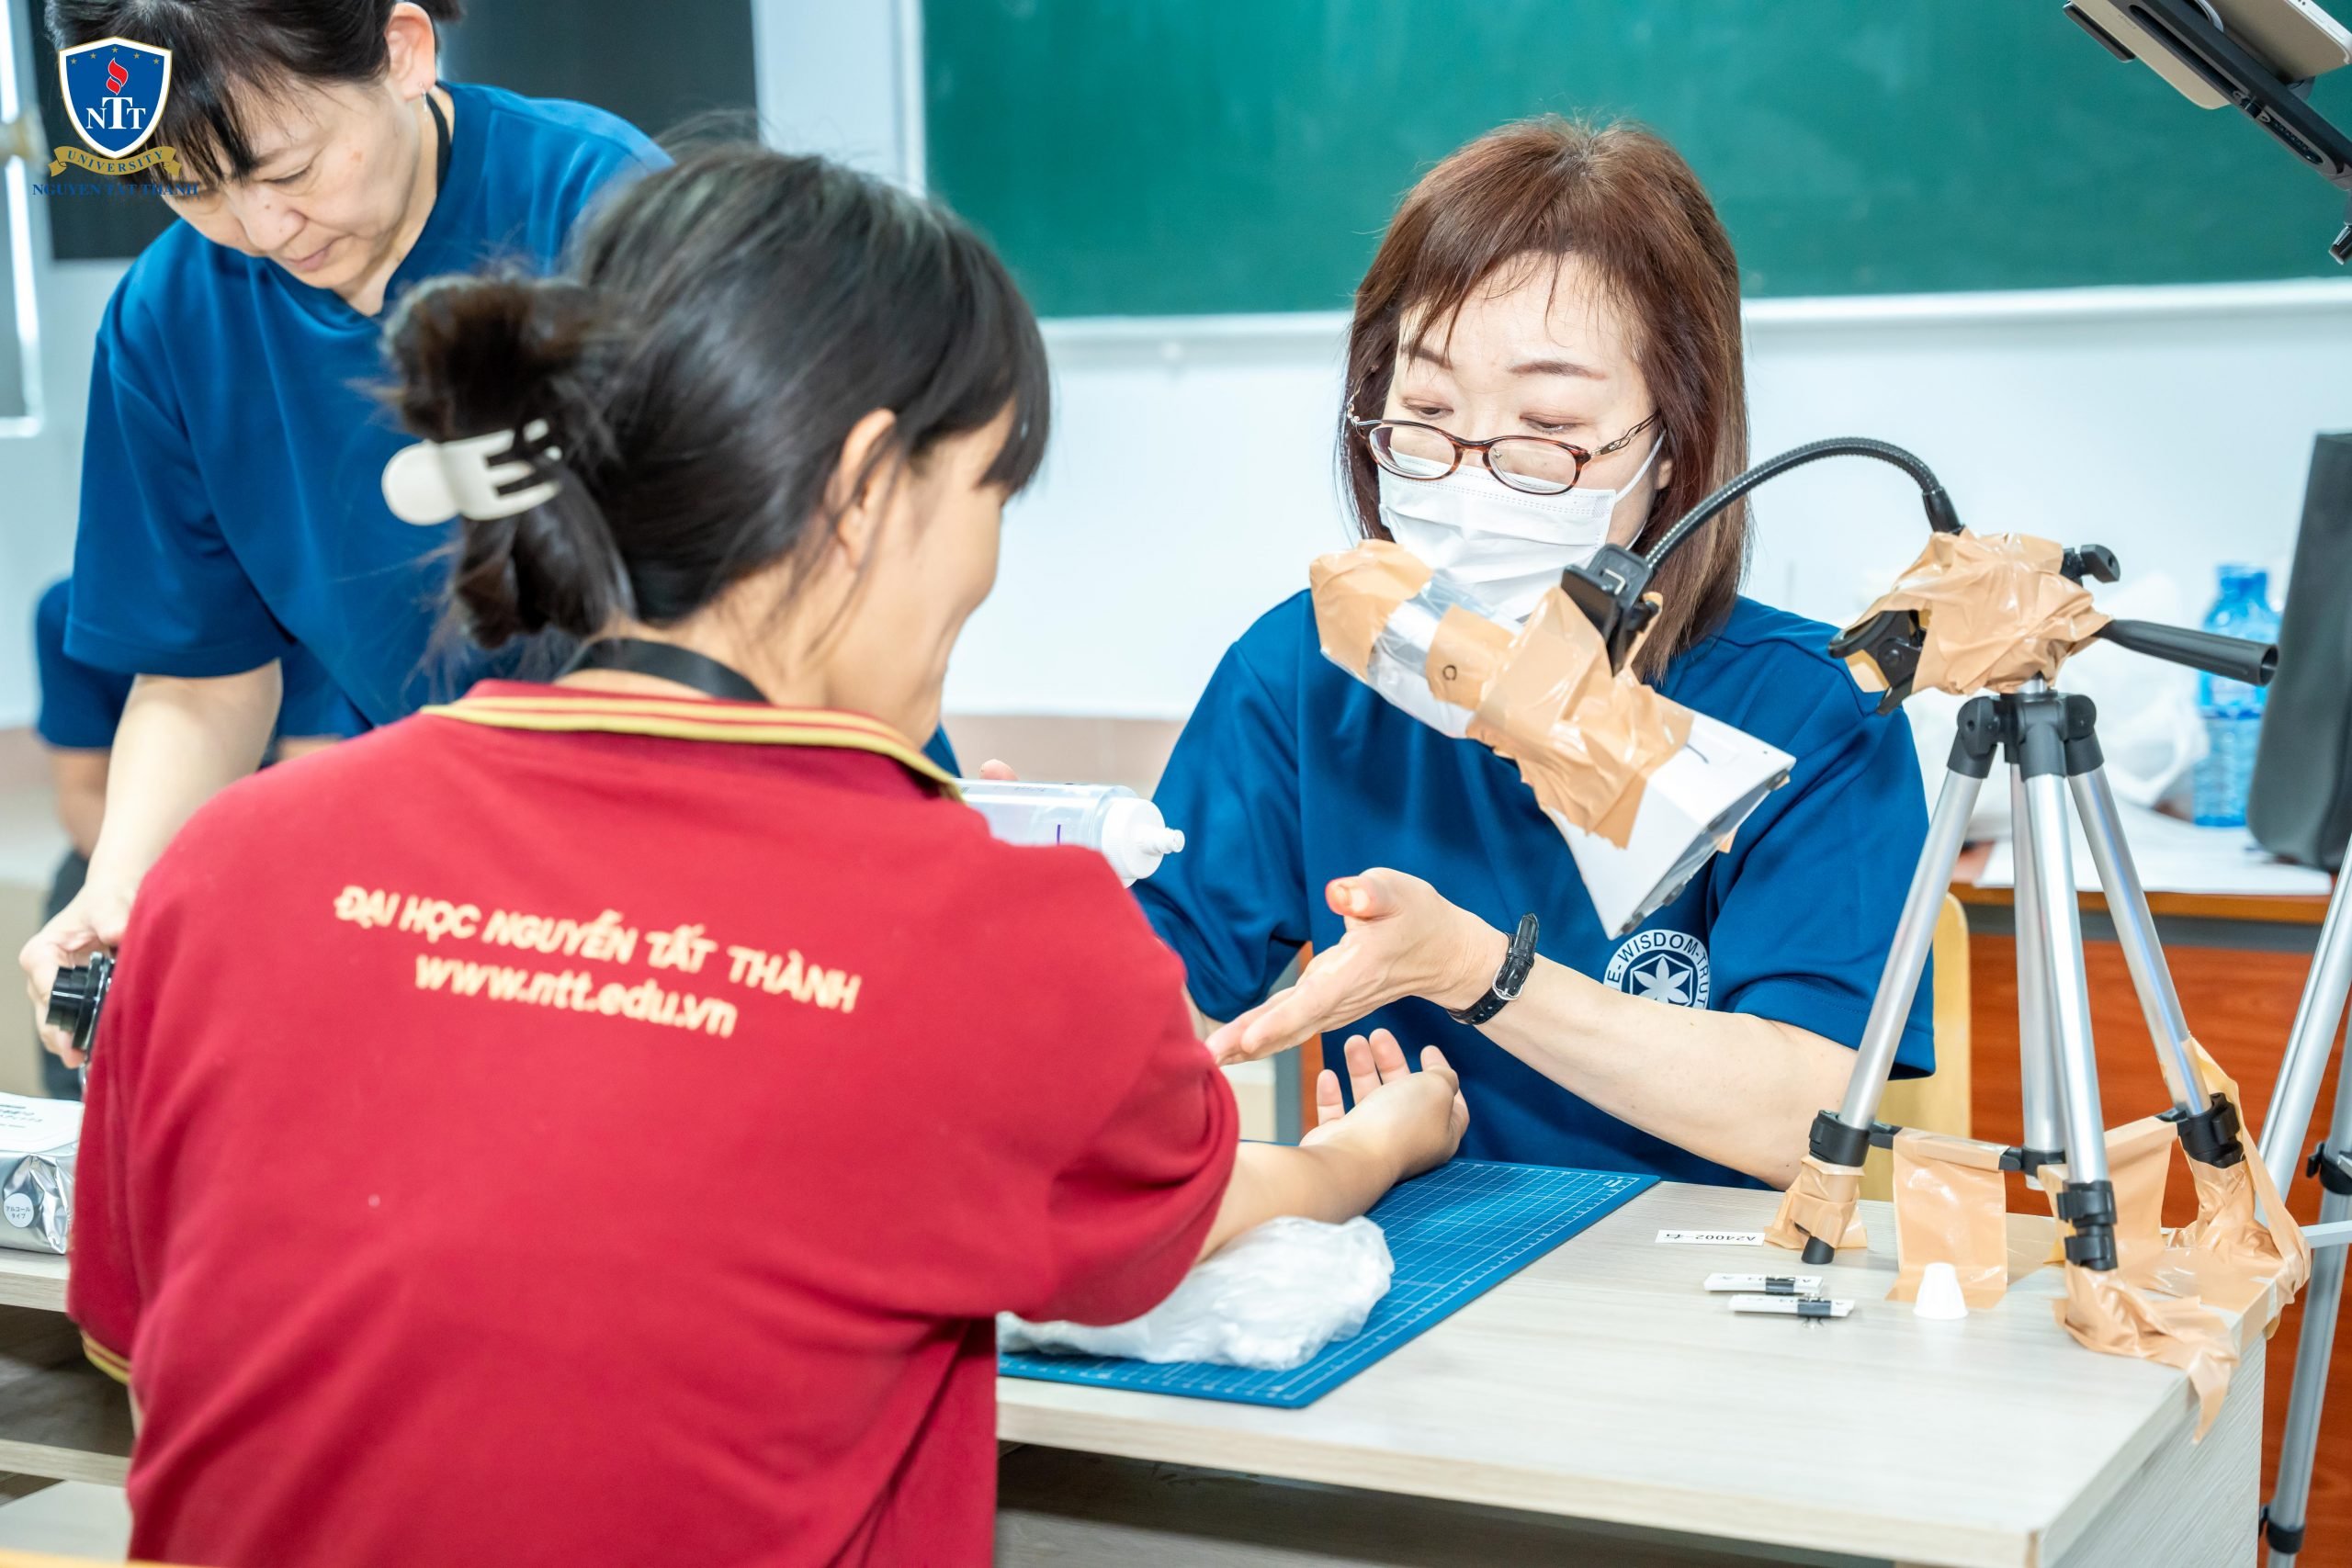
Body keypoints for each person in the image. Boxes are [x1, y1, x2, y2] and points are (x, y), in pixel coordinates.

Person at [67, 146, 1469, 1568]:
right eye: (991, 486)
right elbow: (1190, 1202)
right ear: (865, 489)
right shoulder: (1002, 932)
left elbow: (141, 1348)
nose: (988, 561)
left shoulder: (229, 860)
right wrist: (1371, 1145)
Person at [19, 1, 888, 1055]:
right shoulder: (171, 322)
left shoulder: (605, 212)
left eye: (290, 171)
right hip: (469, 854)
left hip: (738, 806)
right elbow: (203, 678)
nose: (261, 230)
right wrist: (120, 891)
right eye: (193, 188)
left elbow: (774, 599)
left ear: (403, 50)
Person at [1135, 118, 1933, 1190]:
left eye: (1546, 426)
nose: (1469, 476)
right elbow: (1158, 1013)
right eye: (1425, 411)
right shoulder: (1303, 673)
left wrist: (1474, 970)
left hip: (1698, 1273)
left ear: (1671, 445)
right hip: (1405, 1255)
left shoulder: (1810, 712)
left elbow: (1806, 1119)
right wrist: (1005, 920)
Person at [28, 577, 361, 1096]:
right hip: (150, 850)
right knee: (79, 896)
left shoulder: (298, 607)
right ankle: (83, 1096)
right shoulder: (67, 610)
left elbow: (305, 797)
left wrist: (205, 895)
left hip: (272, 848)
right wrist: (122, 887)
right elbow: (80, 793)